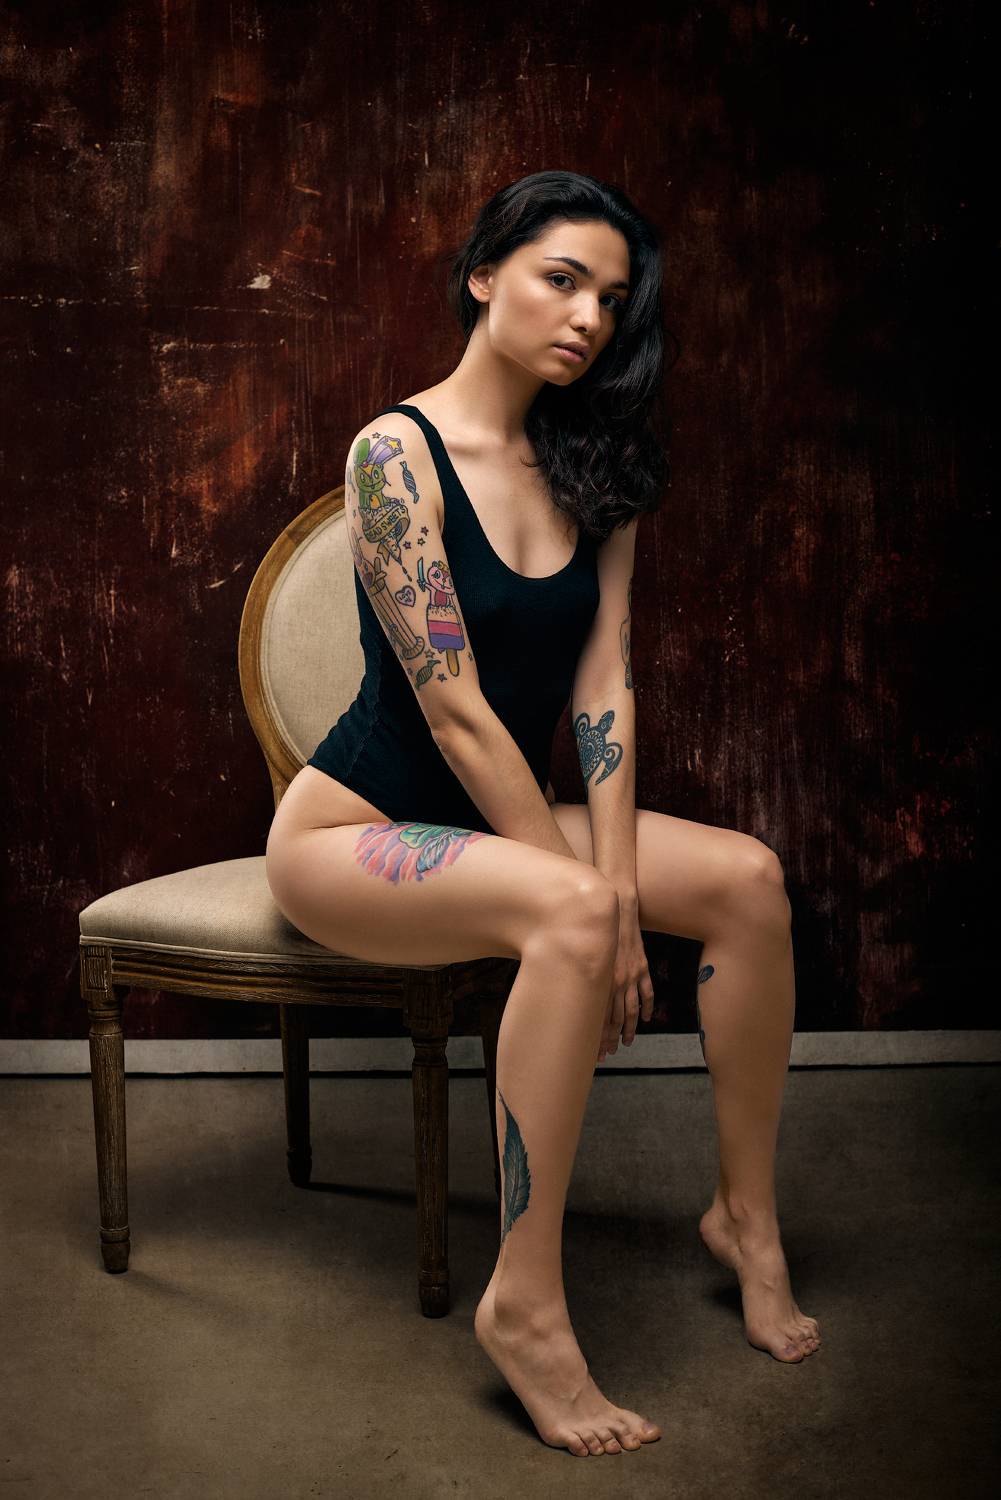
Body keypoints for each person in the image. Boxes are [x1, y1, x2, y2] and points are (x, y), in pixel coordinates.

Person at [265, 170, 820, 1459]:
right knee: (573, 911)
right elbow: (455, 710)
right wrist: (597, 912)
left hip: (503, 826)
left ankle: (746, 1219)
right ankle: (523, 1301)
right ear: (484, 275)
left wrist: (616, 888)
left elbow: (604, 682)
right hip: (350, 835)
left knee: (747, 880)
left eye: (611, 300)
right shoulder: (393, 455)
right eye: (561, 279)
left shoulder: (592, 458)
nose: (587, 317)